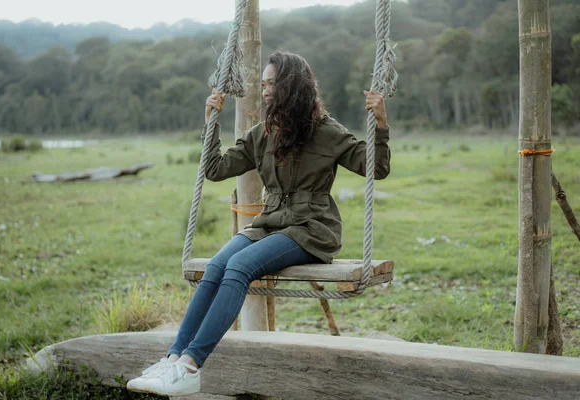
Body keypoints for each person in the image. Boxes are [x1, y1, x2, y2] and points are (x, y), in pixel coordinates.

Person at [126, 51, 390, 397]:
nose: (264, 91)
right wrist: (211, 124)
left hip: (311, 228)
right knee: (218, 265)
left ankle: (191, 364)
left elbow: (376, 168)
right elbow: (217, 169)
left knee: (239, 266)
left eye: (270, 84)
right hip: (269, 222)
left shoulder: (328, 132)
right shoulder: (261, 134)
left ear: (291, 87)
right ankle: (174, 358)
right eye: (263, 84)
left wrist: (381, 125)